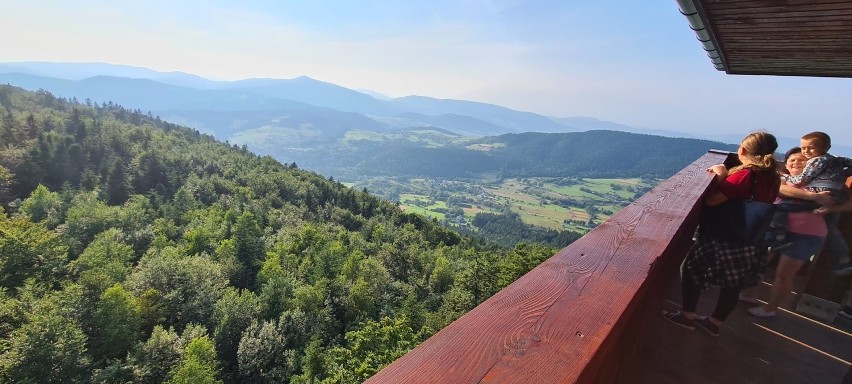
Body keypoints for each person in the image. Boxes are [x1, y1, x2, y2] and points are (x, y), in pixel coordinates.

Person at [663, 131, 780, 336]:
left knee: (691, 270)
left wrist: (721, 175)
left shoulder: (745, 175)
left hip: (722, 236)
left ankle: (687, 316)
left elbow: (713, 200)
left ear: (742, 150)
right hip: (749, 238)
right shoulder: (773, 177)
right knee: (732, 283)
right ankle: (715, 323)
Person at [747, 147, 827, 317]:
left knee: (784, 274)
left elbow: (846, 201)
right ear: (786, 164)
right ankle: (749, 295)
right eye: (792, 160)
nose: (796, 163)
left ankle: (770, 309)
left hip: (807, 234)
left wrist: (831, 205)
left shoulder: (823, 183)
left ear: (811, 166)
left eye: (802, 160)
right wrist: (814, 198)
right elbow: (780, 189)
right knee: (756, 263)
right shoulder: (782, 179)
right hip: (774, 228)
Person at [771, 132, 852, 273]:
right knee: (832, 229)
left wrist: (786, 177)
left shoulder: (816, 162)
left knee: (779, 208)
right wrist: (840, 175)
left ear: (826, 147)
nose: (806, 152)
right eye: (804, 148)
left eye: (811, 148)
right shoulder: (835, 160)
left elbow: (801, 179)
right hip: (834, 196)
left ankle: (779, 236)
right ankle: (844, 259)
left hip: (822, 203)